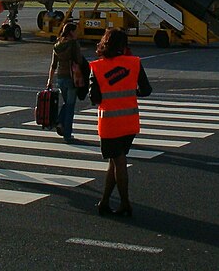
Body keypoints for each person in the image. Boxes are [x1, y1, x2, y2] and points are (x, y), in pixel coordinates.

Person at [90, 28, 152, 218]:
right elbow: (146, 89)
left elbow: (94, 97)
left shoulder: (97, 67)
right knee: (115, 161)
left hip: (110, 122)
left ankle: (125, 203)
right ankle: (105, 202)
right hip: (129, 121)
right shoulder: (134, 63)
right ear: (123, 45)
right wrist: (131, 93)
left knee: (119, 163)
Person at [46, 22, 82, 143]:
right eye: (75, 31)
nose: (77, 33)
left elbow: (53, 65)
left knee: (67, 103)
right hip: (72, 77)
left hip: (60, 77)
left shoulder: (57, 45)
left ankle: (60, 120)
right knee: (70, 105)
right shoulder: (73, 44)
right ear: (71, 32)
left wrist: (49, 80)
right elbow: (79, 60)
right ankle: (67, 133)